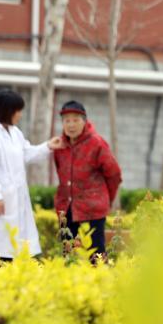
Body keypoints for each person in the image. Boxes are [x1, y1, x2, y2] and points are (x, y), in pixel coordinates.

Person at [0, 90, 64, 259]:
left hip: (15, 197)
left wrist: (48, 146)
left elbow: (26, 153)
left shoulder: (15, 132)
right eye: (18, 110)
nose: (20, 115)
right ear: (7, 110)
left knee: (12, 246)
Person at [52, 100, 122, 259]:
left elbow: (114, 174)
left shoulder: (97, 143)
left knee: (96, 256)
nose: (71, 125)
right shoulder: (60, 146)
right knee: (67, 255)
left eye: (75, 120)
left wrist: (104, 199)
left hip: (92, 209)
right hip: (66, 209)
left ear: (84, 121)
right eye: (66, 120)